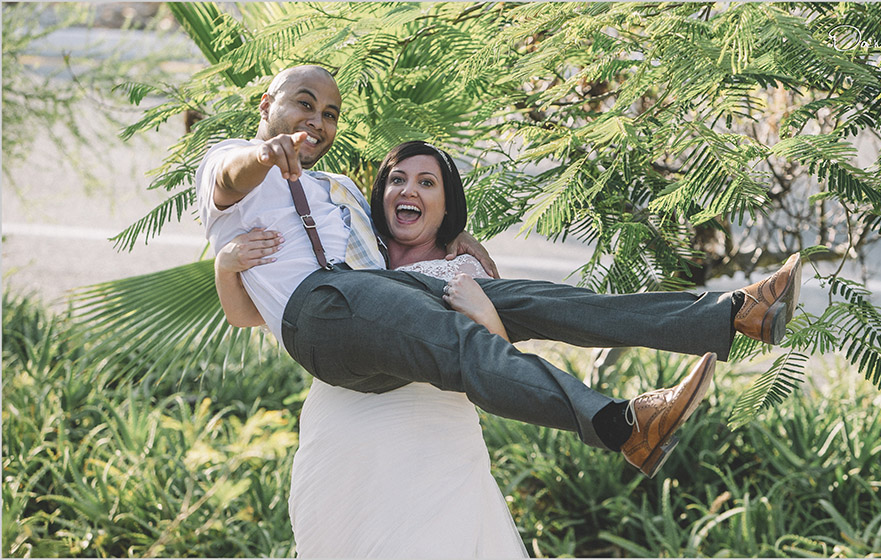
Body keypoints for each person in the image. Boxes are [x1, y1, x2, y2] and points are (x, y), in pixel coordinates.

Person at [195, 65, 801, 487]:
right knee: (465, 340)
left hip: (376, 303)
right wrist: (265, 157)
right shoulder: (232, 166)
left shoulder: (342, 188)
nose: (318, 122)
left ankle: (733, 314)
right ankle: (621, 425)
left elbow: (386, 252)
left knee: (528, 299)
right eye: (304, 103)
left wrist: (450, 238)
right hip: (322, 312)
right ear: (266, 106)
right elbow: (231, 176)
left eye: (329, 114)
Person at [217, 141, 527, 556]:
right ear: (380, 195)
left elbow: (499, 365)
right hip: (339, 447)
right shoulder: (350, 256)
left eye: (427, 183)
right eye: (397, 180)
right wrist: (225, 265)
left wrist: (486, 312)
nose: (409, 190)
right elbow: (245, 316)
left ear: (447, 205)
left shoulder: (464, 269)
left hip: (430, 452)